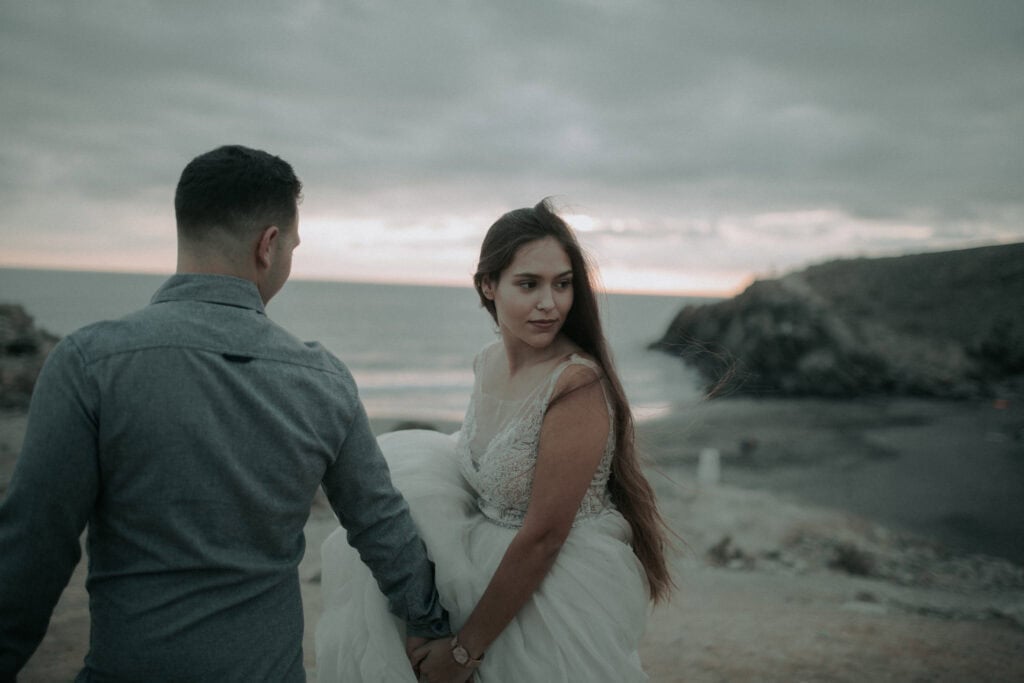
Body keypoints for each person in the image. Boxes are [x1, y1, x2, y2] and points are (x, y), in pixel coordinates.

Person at [0, 145, 450, 681]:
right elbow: (381, 524)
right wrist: (430, 623)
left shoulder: (89, 363)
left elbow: (33, 551)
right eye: (293, 247)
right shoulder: (324, 380)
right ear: (269, 245)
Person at [316, 198, 673, 682]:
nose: (550, 303)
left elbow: (544, 538)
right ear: (488, 285)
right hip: (478, 569)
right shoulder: (486, 362)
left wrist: (463, 653)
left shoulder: (578, 386)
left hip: (553, 590)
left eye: (562, 284)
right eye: (529, 284)